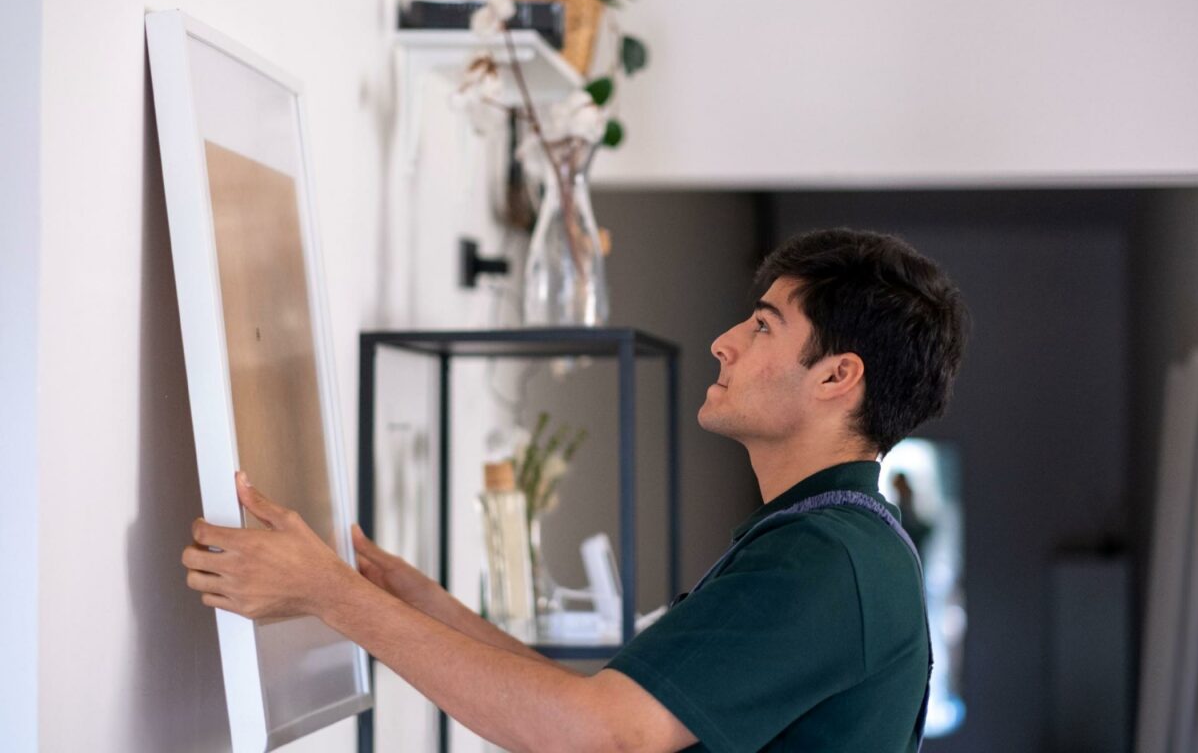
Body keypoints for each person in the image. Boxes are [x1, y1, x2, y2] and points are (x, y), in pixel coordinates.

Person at [183, 227, 969, 752]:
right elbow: (601, 706)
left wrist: (332, 596)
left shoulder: (826, 560)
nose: (724, 343)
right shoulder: (834, 540)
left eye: (764, 326)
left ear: (838, 376)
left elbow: (597, 735)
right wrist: (417, 605)